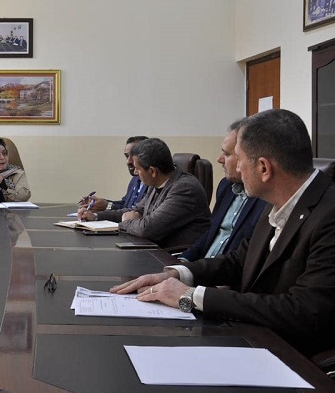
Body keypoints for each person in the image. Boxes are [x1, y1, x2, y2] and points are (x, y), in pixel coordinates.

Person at [111, 109, 335, 356]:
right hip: (254, 334)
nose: (235, 167)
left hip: (292, 355)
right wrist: (177, 273)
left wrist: (192, 296)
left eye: (239, 159)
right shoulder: (277, 202)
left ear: (263, 168)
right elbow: (238, 260)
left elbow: (305, 312)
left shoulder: (329, 215)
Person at [81, 138, 210, 249]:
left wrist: (127, 222)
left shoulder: (184, 188)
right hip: (154, 249)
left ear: (152, 171)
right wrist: (96, 216)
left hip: (173, 256)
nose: (135, 173)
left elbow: (147, 229)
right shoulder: (157, 182)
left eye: (137, 169)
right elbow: (135, 210)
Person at [179, 119, 267, 261]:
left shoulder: (265, 197)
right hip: (203, 266)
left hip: (223, 272)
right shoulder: (225, 186)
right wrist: (183, 262)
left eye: (227, 154)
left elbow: (243, 259)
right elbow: (210, 233)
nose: (219, 159)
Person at [79, 136, 148, 213]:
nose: (128, 161)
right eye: (127, 156)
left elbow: (140, 211)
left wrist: (108, 206)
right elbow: (125, 204)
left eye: (133, 156)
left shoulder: (151, 182)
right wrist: (98, 203)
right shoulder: (135, 179)